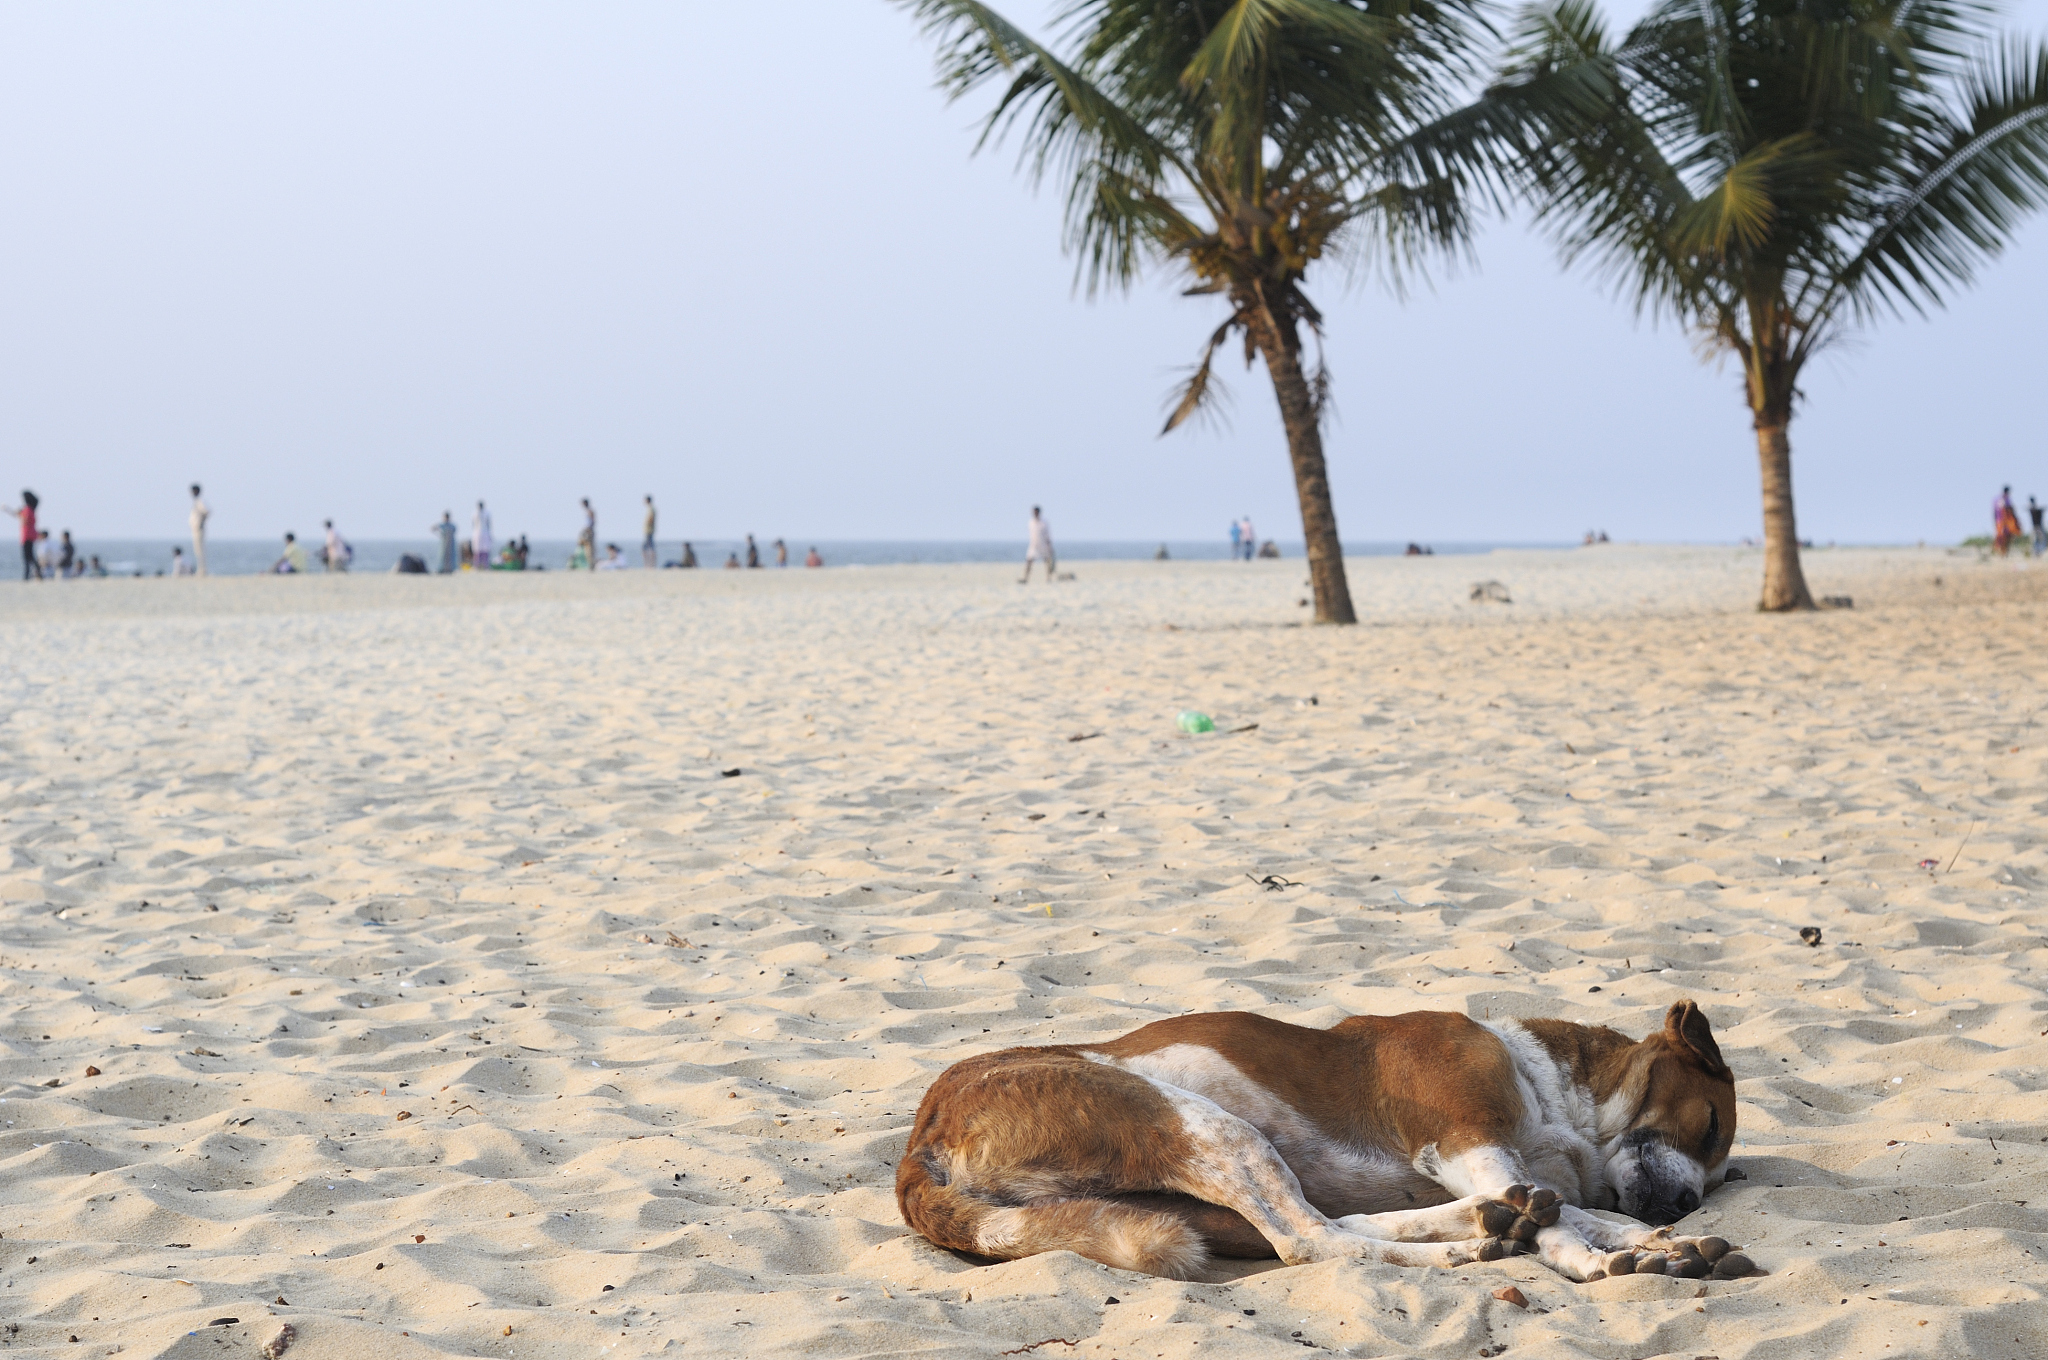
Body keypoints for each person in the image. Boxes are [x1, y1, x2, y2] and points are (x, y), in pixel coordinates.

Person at [5, 490, 40, 580]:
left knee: (27, 557)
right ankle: (35, 573)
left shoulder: (27, 510)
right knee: (30, 556)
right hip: (30, 535)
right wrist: (7, 509)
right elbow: (16, 514)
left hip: (27, 535)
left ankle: (27, 575)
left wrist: (19, 514)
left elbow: (25, 520)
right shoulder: (29, 509)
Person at [1021, 505, 1056, 583]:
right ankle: (1026, 578)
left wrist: (1050, 547)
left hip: (1043, 545)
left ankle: (1048, 578)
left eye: (1036, 512)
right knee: (1029, 561)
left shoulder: (1044, 523)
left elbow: (1048, 535)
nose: (1035, 514)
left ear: (1039, 513)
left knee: (1047, 562)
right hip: (1033, 546)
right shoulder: (1030, 522)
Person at [1993, 486, 2022, 556]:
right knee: (2001, 537)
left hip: (2004, 521)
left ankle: (2005, 552)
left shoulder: (2004, 499)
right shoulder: (2001, 499)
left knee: (2008, 536)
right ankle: (2001, 552)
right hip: (2002, 521)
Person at [189, 484, 210, 576]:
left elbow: (206, 511)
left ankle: (202, 570)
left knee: (199, 550)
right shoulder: (197, 502)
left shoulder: (200, 502)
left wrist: (201, 522)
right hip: (196, 529)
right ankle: (201, 569)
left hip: (198, 529)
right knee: (197, 550)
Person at [471, 500, 493, 572]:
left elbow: (488, 524)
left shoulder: (486, 513)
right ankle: (477, 566)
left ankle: (485, 566)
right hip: (478, 533)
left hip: (484, 532)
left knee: (485, 550)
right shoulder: (475, 513)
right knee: (477, 550)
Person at [578, 498, 597, 568]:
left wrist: (588, 530)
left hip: (589, 531)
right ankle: (590, 564)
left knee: (590, 549)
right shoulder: (587, 511)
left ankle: (592, 565)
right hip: (587, 531)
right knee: (587, 548)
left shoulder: (590, 511)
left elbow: (592, 522)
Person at [642, 496, 657, 569]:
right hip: (649, 530)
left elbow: (651, 519)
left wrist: (647, 523)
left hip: (649, 530)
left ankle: (650, 565)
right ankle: (649, 564)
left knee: (649, 548)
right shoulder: (650, 509)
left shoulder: (651, 509)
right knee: (648, 548)